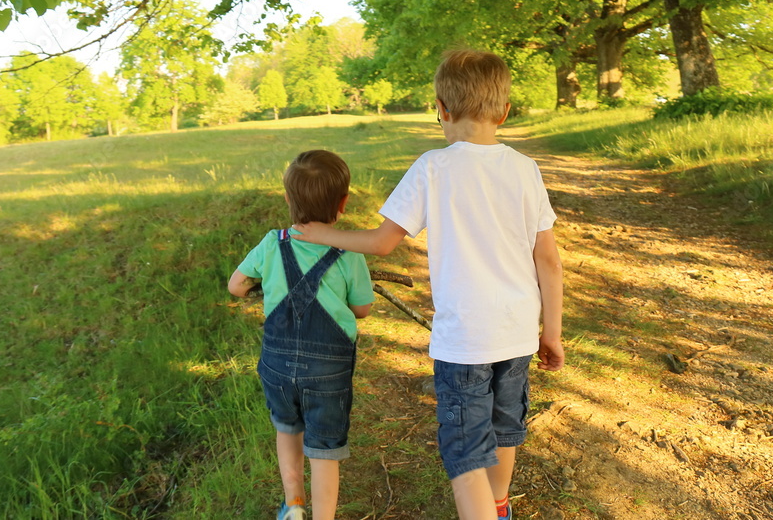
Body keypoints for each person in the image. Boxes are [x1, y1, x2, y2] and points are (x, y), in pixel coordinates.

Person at [292, 50, 565, 520]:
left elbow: (381, 243)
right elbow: (549, 261)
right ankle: (499, 507)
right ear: (503, 111)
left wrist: (321, 233)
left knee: (465, 454)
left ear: (441, 107)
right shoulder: (525, 168)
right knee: (503, 431)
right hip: (518, 332)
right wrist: (552, 332)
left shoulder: (433, 166)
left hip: (465, 341)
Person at [228, 149, 375, 520]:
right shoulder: (349, 251)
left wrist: (256, 284)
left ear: (287, 198)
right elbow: (362, 309)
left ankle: (293, 505)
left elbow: (237, 286)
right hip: (327, 371)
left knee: (287, 429)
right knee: (324, 449)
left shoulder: (272, 243)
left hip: (276, 365)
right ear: (343, 203)